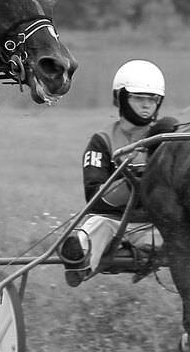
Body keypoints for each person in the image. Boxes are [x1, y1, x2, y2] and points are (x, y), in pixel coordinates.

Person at [57, 59, 177, 287]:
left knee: (186, 229)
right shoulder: (102, 141)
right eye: (138, 98)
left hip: (153, 223)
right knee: (94, 226)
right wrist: (131, 181)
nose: (146, 105)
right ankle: (78, 261)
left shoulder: (167, 137)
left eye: (152, 99)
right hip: (111, 222)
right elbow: (95, 199)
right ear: (121, 98)